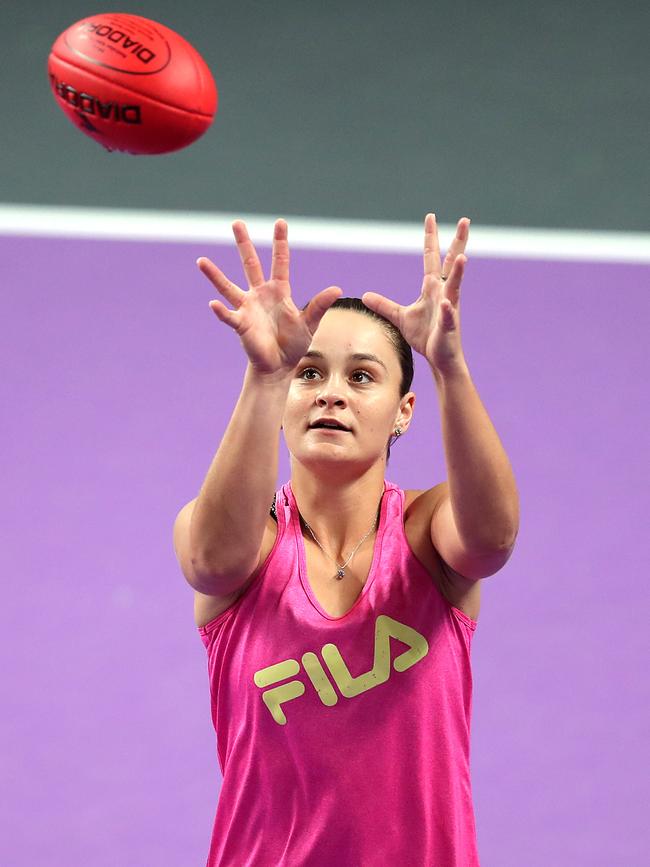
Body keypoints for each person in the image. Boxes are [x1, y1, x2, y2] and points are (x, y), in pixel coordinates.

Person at [173, 214, 519, 866]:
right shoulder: (243, 544)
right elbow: (210, 562)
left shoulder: (427, 535)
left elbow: (492, 538)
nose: (331, 391)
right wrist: (265, 375)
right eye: (309, 374)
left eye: (362, 377)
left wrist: (449, 367)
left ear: (403, 411)